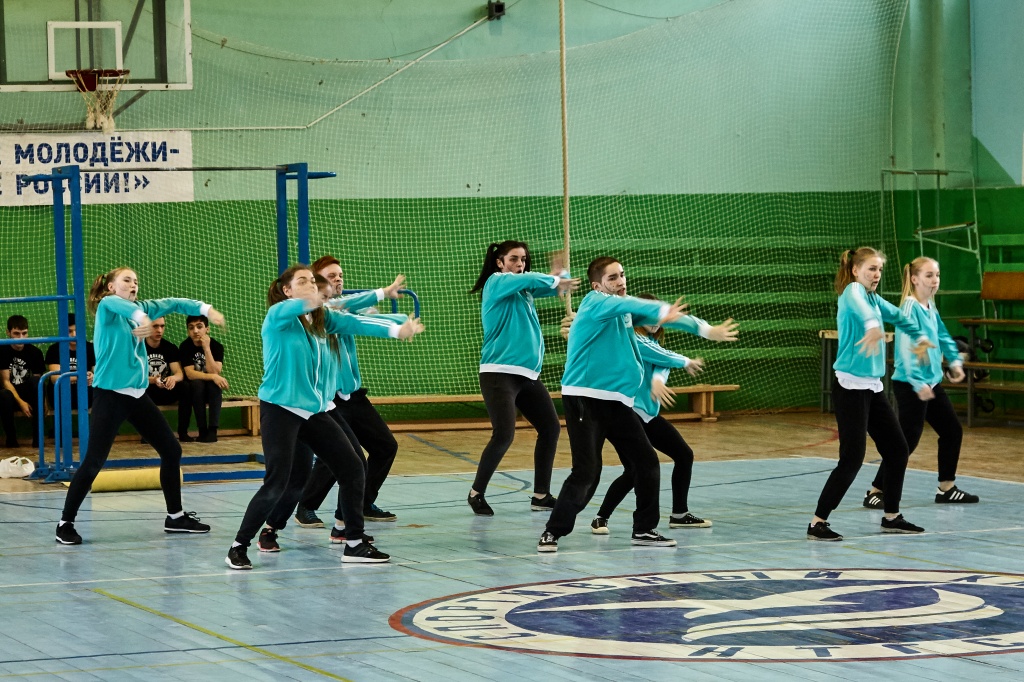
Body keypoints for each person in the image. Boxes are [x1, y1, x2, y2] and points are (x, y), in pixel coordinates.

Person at [225, 265, 423, 570]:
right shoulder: (278, 315)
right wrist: (319, 296)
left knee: (353, 467)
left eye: (312, 281)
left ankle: (353, 542)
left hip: (315, 411)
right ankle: (239, 546)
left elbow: (355, 323)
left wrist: (397, 329)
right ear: (287, 290)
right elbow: (304, 304)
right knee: (279, 482)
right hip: (280, 409)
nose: (310, 285)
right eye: (302, 281)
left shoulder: (321, 319)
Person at [537, 257, 739, 552]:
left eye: (622, 275)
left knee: (646, 463)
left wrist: (707, 330)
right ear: (597, 286)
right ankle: (552, 531)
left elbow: (665, 317)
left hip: (618, 402)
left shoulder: (624, 312)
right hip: (585, 398)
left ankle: (643, 529)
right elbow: (641, 306)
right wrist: (661, 310)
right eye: (612, 278)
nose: (620, 281)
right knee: (587, 471)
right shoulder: (595, 302)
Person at [56, 268, 224, 545]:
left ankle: (175, 517)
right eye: (127, 280)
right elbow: (127, 309)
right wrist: (143, 319)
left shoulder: (143, 307)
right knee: (94, 461)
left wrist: (207, 309)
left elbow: (174, 302)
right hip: (110, 396)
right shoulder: (108, 306)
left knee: (172, 450)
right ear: (111, 286)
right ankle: (65, 523)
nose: (133, 284)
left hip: (137, 396)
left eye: (136, 281)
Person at [808, 247, 934, 542]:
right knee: (852, 458)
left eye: (879, 270)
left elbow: (898, 316)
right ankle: (818, 522)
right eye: (871, 269)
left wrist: (920, 335)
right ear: (855, 270)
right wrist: (872, 326)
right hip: (850, 388)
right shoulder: (852, 291)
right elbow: (864, 312)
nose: (877, 275)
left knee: (897, 450)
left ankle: (891, 516)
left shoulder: (873, 298)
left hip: (872, 388)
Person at [294, 255, 411, 529]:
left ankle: (362, 503)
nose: (338, 280)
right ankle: (306, 506)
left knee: (385, 447)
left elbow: (364, 317)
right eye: (331, 276)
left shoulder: (345, 309)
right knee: (335, 457)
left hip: (354, 396)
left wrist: (399, 323)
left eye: (340, 275)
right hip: (330, 398)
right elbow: (345, 304)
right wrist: (383, 292)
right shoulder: (322, 310)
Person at [466, 241, 579, 517]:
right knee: (504, 434)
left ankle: (541, 495)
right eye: (514, 259)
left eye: (524, 260)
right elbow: (531, 279)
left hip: (527, 375)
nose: (520, 264)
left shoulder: (523, 289)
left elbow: (557, 287)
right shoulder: (496, 282)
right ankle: (476, 493)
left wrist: (560, 274)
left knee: (550, 428)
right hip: (499, 373)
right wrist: (553, 278)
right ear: (500, 263)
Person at [590, 293, 712, 534]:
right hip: (626, 414)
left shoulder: (654, 343)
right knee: (634, 470)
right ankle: (601, 517)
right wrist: (686, 360)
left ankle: (679, 514)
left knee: (684, 455)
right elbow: (661, 357)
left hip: (648, 415)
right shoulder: (632, 339)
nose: (656, 321)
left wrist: (657, 381)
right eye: (650, 315)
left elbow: (662, 365)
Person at [862, 256, 977, 508]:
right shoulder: (909, 309)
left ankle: (946, 488)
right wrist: (917, 382)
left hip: (931, 383)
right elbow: (906, 351)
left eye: (937, 275)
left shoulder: (929, 306)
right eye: (929, 275)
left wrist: (955, 362)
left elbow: (942, 335)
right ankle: (876, 491)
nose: (935, 280)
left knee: (952, 430)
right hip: (912, 385)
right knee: (905, 441)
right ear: (914, 279)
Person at [178, 315, 227, 443]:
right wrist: (213, 376)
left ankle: (212, 431)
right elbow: (190, 374)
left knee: (214, 385)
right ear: (188, 331)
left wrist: (206, 348)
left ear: (207, 329)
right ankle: (202, 430)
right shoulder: (185, 346)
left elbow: (215, 371)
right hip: (193, 391)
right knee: (197, 384)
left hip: (211, 391)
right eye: (191, 328)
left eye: (199, 327)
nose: (195, 331)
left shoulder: (216, 346)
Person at [0, 315, 46, 448]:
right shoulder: (2, 351)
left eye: (24, 333)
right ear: (8, 332)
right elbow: (5, 382)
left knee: (36, 382)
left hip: (27, 394)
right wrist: (21, 402)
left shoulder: (35, 352)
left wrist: (44, 402)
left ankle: (38, 440)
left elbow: (39, 382)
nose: (21, 337)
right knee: (4, 395)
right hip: (9, 396)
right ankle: (11, 440)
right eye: (16, 333)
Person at [144, 317, 192, 442]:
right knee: (137, 389)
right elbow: (134, 377)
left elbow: (179, 373)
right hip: (147, 390)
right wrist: (152, 380)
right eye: (155, 326)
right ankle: (147, 434)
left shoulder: (169, 348)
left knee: (185, 387)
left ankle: (183, 432)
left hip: (165, 388)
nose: (159, 330)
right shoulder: (138, 348)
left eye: (162, 326)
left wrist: (173, 378)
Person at [44, 314, 96, 412]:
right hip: (62, 395)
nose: (74, 335)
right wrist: (81, 376)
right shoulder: (54, 349)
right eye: (69, 331)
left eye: (77, 330)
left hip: (85, 393)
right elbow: (55, 378)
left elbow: (97, 372)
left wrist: (92, 376)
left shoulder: (90, 348)